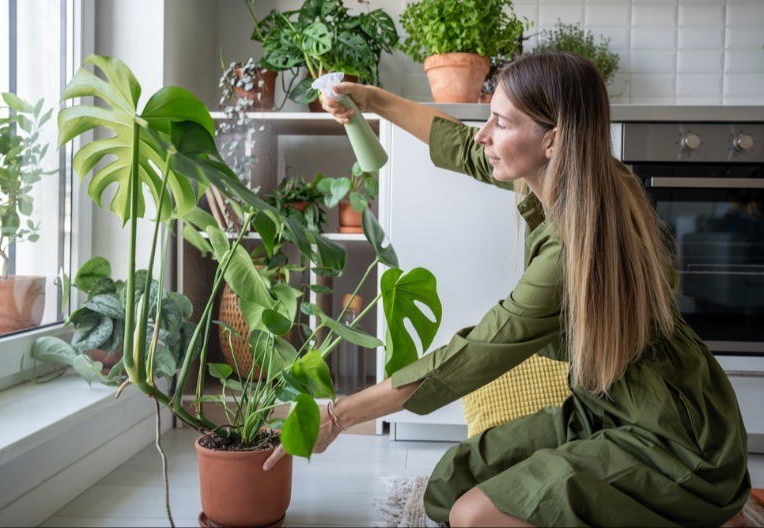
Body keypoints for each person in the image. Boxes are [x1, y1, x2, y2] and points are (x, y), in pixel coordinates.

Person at [263, 51, 751, 527]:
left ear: (552, 141)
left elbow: (471, 356)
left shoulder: (572, 251)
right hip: (602, 408)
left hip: (676, 443)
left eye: (501, 123)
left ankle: (708, 512)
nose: (484, 134)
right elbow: (461, 147)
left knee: (472, 517)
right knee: (447, 486)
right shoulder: (574, 175)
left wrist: (339, 417)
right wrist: (371, 99)